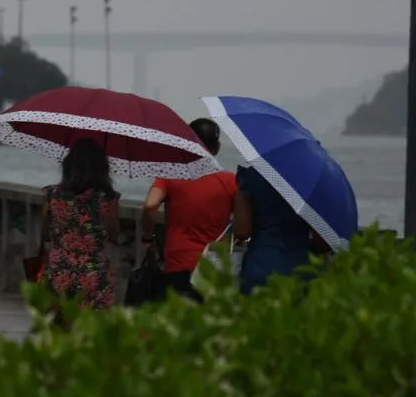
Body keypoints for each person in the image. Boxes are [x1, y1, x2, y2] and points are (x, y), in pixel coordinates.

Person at [141, 118, 237, 301]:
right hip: (212, 268)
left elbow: (150, 205)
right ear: (216, 148)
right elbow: (242, 225)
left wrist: (148, 236)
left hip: (177, 263)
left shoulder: (170, 173)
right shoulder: (231, 181)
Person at [39, 138, 120, 310]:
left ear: (69, 165)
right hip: (93, 271)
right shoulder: (107, 198)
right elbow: (114, 234)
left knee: (59, 325)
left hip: (59, 269)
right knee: (93, 327)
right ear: (101, 168)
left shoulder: (52, 194)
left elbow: (45, 233)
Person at [232, 165, 329, 295]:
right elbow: (322, 241)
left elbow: (242, 232)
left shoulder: (251, 176)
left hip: (260, 261)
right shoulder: (312, 178)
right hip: (302, 263)